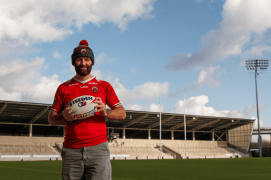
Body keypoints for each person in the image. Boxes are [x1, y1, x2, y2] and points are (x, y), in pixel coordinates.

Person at [48, 39, 126, 180]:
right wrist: (63, 118)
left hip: (99, 149)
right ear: (73, 62)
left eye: (86, 59)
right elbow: (51, 119)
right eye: (79, 59)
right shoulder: (63, 88)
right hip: (71, 150)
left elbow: (122, 113)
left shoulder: (104, 86)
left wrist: (106, 112)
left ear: (92, 61)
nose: (83, 63)